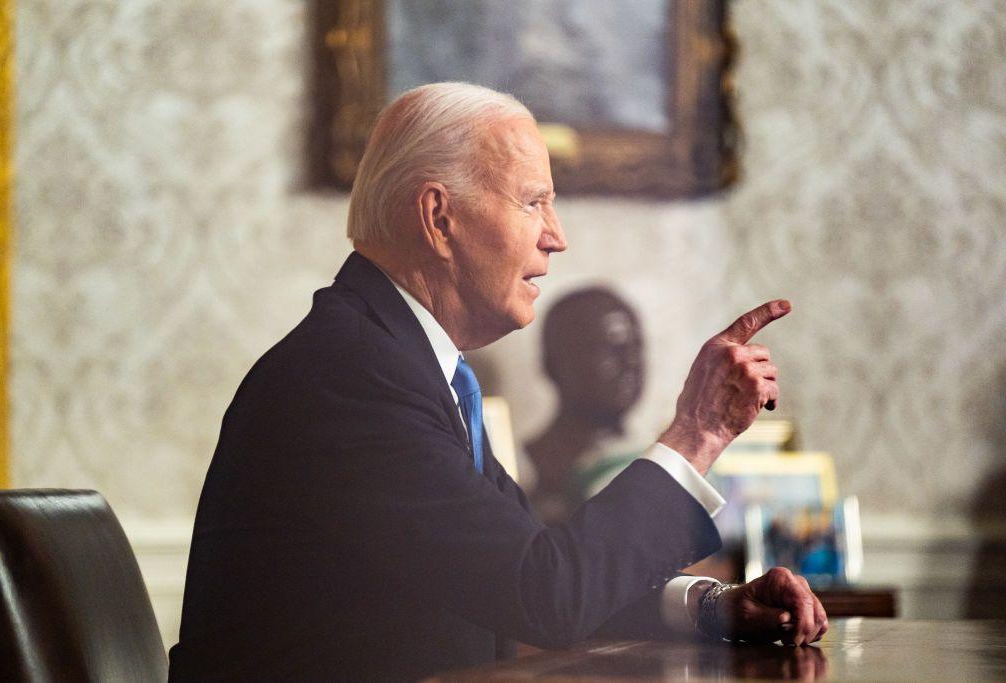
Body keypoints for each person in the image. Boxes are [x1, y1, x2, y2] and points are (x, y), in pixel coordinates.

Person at [168, 83, 827, 683]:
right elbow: (544, 593)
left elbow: (528, 563)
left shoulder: (411, 363)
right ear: (438, 218)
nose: (556, 237)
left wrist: (714, 608)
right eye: (533, 201)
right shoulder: (351, 375)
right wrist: (698, 431)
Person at [525, 286, 647, 523]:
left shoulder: (652, 456)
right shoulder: (529, 466)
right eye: (610, 350)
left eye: (636, 347)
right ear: (554, 364)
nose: (631, 362)